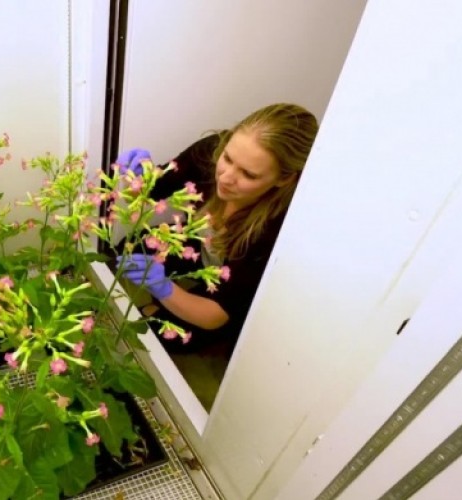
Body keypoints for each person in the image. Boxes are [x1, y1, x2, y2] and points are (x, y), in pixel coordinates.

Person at [113, 103, 319, 354]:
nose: (225, 177)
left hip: (229, 284)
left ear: (284, 178)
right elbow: (150, 193)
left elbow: (215, 315)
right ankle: (166, 302)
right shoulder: (210, 152)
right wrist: (135, 176)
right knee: (130, 248)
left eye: (249, 175)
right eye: (229, 159)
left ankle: (164, 308)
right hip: (200, 248)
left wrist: (163, 288)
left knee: (164, 335)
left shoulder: (275, 230)